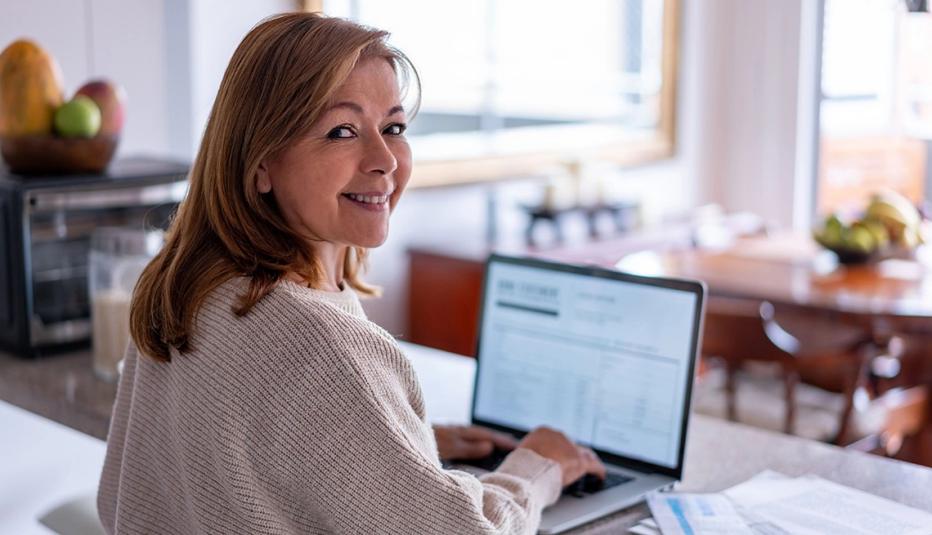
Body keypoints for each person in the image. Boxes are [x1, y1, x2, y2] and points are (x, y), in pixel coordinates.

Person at [98, 12, 604, 534]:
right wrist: (537, 468)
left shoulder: (183, 284)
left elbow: (134, 492)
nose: (384, 158)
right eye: (342, 131)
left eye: (394, 128)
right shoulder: (319, 344)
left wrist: (394, 450)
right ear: (261, 161)